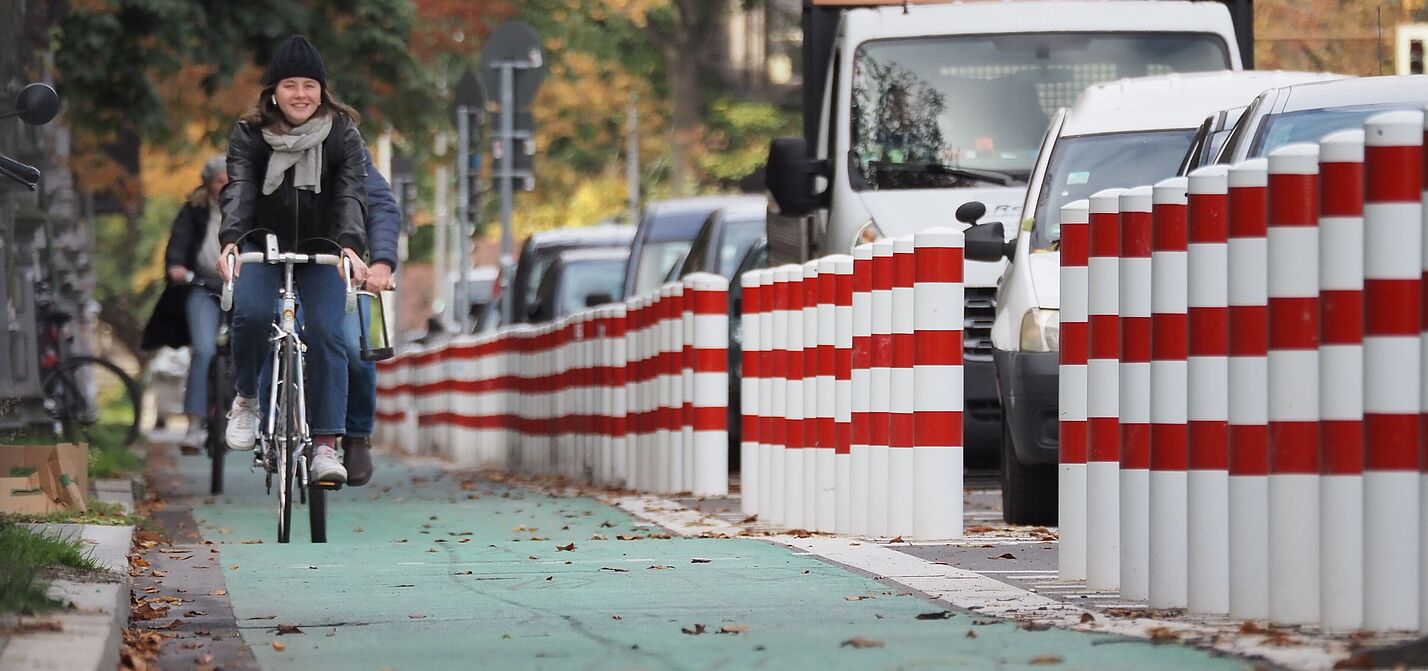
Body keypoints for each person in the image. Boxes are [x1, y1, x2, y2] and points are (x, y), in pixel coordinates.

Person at [216, 34, 370, 484]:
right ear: (273, 92)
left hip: (324, 250)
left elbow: (350, 193)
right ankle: (246, 399)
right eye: (289, 85)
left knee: (329, 332)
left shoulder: (343, 133)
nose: (300, 94)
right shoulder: (249, 134)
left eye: (309, 85)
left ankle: (325, 444)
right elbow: (240, 189)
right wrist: (231, 240)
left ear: (322, 90)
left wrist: (349, 245)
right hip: (264, 245)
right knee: (251, 312)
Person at [148, 156, 228, 451]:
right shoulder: (194, 209)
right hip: (202, 286)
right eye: (220, 181)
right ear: (208, 185)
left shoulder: (249, 206)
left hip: (241, 286)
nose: (226, 187)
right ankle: (194, 425)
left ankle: (252, 414)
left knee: (253, 343)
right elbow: (178, 241)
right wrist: (176, 265)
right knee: (204, 349)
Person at [340, 151, 400, 486]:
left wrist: (381, 262)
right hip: (282, 262)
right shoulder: (263, 138)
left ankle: (357, 435)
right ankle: (268, 419)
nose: (301, 94)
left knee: (355, 348)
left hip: (345, 269)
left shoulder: (346, 144)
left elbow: (381, 206)